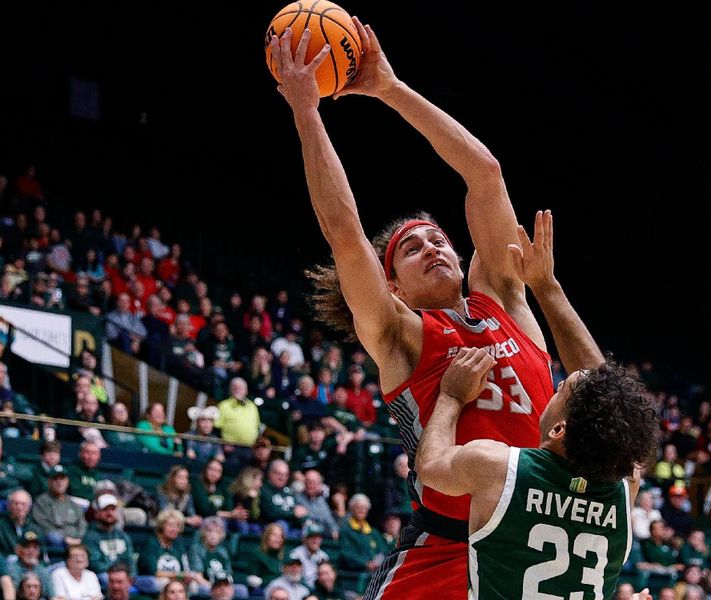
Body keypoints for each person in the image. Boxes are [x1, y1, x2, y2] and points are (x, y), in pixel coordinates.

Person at [272, 20, 603, 599]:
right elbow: (345, 234)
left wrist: (390, 88)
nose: (432, 247)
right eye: (410, 248)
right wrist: (307, 112)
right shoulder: (401, 333)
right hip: (446, 549)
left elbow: (485, 173)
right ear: (392, 285)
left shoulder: (505, 300)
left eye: (439, 239)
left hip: (530, 539)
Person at [415, 348, 660, 598]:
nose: (557, 384)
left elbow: (429, 465)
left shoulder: (497, 467)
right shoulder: (626, 486)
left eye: (559, 390)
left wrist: (452, 395)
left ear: (558, 430)